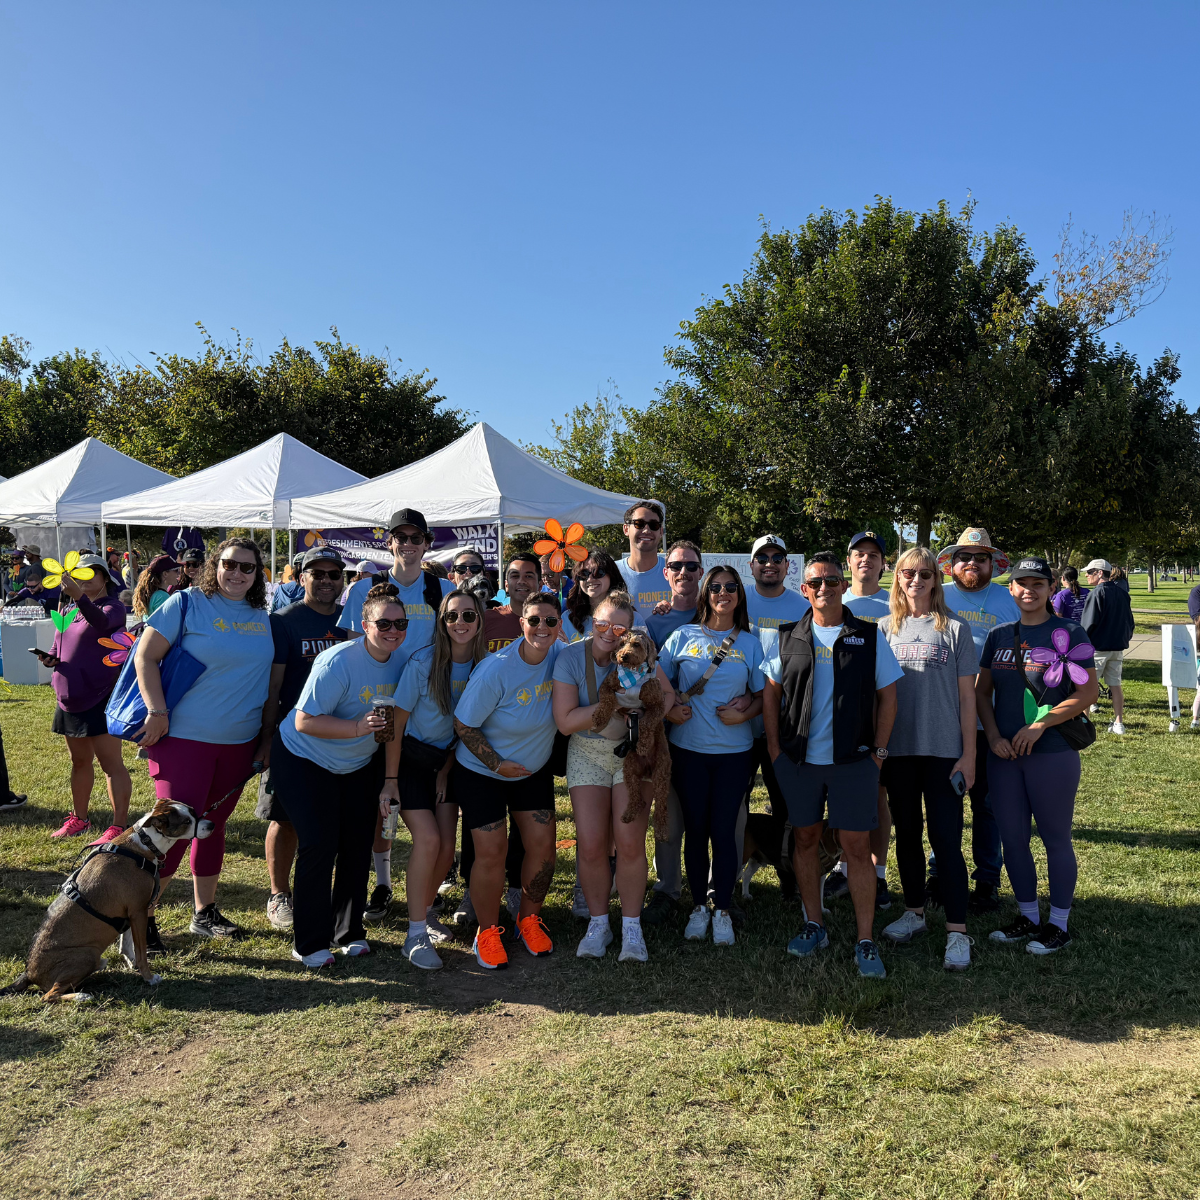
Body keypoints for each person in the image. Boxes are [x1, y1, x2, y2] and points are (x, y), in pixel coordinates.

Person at [763, 551, 902, 978]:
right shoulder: (786, 637)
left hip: (854, 761)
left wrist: (878, 752)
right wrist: (774, 751)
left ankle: (865, 939)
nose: (824, 588)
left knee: (856, 847)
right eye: (815, 583)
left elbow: (889, 697)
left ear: (843, 586)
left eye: (831, 580)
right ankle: (814, 924)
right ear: (803, 591)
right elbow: (770, 694)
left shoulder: (869, 635)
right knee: (805, 840)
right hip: (801, 762)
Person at [134, 536, 274, 949]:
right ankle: (142, 917)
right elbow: (145, 657)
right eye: (229, 564)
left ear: (258, 574)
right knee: (173, 830)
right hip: (182, 739)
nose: (237, 573)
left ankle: (204, 913)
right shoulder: (186, 603)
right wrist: (157, 712)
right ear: (215, 565)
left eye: (247, 567)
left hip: (238, 743)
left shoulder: (262, 615)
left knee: (211, 828)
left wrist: (264, 738)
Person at [271, 583, 408, 967]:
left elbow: (393, 726)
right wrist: (355, 728)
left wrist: (390, 779)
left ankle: (347, 931)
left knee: (356, 843)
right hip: (303, 757)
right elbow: (303, 721)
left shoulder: (403, 662)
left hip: (358, 763)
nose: (393, 630)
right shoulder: (337, 661)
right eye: (384, 623)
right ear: (364, 624)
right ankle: (309, 942)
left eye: (401, 623)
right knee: (318, 843)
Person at [977, 556, 1098, 954]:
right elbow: (981, 692)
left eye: (1038, 584)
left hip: (1051, 752)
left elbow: (1086, 693)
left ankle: (1058, 924)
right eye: (1021, 583)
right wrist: (993, 736)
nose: (1029, 590)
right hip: (1004, 755)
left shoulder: (1069, 631)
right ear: (1010, 589)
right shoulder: (998, 636)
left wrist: (1040, 725)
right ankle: (1028, 916)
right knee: (1012, 839)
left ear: (1050, 589)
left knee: (1054, 838)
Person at [553, 591, 676, 961]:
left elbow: (667, 697)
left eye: (618, 626)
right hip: (587, 752)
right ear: (593, 620)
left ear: (628, 631)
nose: (609, 631)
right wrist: (614, 707)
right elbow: (565, 721)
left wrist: (646, 718)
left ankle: (632, 927)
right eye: (603, 623)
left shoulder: (644, 658)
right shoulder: (572, 656)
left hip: (634, 755)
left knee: (629, 843)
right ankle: (598, 923)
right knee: (590, 844)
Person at [878, 547, 980, 970]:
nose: (916, 580)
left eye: (924, 573)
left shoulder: (955, 629)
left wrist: (969, 755)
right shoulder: (885, 628)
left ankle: (957, 932)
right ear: (897, 579)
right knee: (907, 835)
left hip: (943, 753)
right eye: (907, 573)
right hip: (899, 752)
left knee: (946, 841)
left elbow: (968, 698)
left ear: (936, 580)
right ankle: (914, 912)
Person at [452, 591, 563, 970]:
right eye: (534, 620)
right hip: (484, 771)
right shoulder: (497, 668)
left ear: (560, 624)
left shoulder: (562, 658)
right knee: (492, 853)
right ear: (522, 623)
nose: (542, 628)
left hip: (531, 771)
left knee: (544, 849)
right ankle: (487, 930)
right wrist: (497, 764)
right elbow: (463, 724)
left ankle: (528, 920)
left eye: (550, 621)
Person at [657, 566, 765, 946]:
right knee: (697, 831)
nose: (723, 593)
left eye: (731, 587)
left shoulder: (750, 644)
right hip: (688, 752)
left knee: (724, 832)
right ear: (706, 594)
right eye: (716, 587)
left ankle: (722, 909)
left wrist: (745, 712)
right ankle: (698, 908)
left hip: (735, 754)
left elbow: (763, 696)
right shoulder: (681, 636)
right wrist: (670, 711)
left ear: (739, 594)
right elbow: (657, 680)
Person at [385, 589, 488, 969]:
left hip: (448, 764)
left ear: (480, 622)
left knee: (446, 850)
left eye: (468, 616)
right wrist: (391, 778)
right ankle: (413, 936)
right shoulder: (422, 662)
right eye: (451, 617)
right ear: (440, 623)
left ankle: (424, 912)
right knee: (428, 841)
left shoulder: (485, 665)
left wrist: (447, 768)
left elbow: (467, 729)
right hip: (410, 761)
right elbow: (396, 725)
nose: (459, 623)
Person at [254, 546, 348, 931]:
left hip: (341, 737)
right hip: (291, 738)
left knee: (333, 819)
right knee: (284, 817)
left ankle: (326, 893)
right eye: (318, 573)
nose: (326, 581)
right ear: (300, 577)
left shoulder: (353, 622)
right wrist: (267, 738)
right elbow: (273, 685)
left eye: (333, 574)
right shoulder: (284, 621)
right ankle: (279, 895)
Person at [935, 526, 1022, 913]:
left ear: (992, 564)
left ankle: (987, 880)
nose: (971, 563)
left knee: (986, 805)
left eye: (980, 557)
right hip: (943, 717)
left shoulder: (1009, 601)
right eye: (964, 557)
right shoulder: (937, 596)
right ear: (951, 565)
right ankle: (942, 872)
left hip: (992, 721)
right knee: (944, 803)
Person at [37, 555, 131, 843]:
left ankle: (118, 826)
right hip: (69, 697)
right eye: (80, 574)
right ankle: (79, 818)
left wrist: (79, 597)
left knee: (110, 763)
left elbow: (101, 623)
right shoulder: (67, 609)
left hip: (99, 695)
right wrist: (51, 659)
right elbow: (59, 641)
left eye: (92, 573)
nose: (85, 578)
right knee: (79, 761)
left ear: (105, 578)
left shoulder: (113, 607)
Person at [829, 530, 893, 908]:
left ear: (883, 564)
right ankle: (842, 867)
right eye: (858, 553)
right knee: (838, 793)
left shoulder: (893, 604)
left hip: (876, 712)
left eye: (873, 554)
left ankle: (878, 870)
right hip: (835, 717)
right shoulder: (833, 598)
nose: (866, 559)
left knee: (876, 794)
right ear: (848, 561)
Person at [642, 540, 704, 927]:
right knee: (666, 815)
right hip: (665, 735)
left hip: (716, 733)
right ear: (666, 573)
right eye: (676, 566)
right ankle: (667, 888)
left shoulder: (718, 610)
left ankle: (714, 886)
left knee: (715, 815)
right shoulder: (653, 622)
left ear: (702, 571)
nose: (684, 572)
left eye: (691, 566)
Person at [1080, 558, 1135, 736]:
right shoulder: (1122, 593)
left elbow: (1088, 624)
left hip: (1097, 648)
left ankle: (1084, 722)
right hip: (1117, 648)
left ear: (1099, 573)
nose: (1086, 575)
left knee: (1087, 687)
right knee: (1115, 685)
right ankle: (1119, 723)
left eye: (1089, 572)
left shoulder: (1096, 593)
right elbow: (1130, 623)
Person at [562, 550, 645, 641]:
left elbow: (646, 652)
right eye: (584, 574)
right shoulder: (567, 619)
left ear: (611, 575)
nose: (590, 579)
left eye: (598, 572)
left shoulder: (633, 618)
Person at [619, 501, 669, 621]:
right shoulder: (610, 572)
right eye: (639, 524)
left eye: (654, 525)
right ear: (626, 529)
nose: (646, 530)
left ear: (661, 531)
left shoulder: (675, 571)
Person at [484, 553, 542, 654]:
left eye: (528, 576)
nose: (521, 581)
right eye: (515, 576)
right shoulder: (486, 619)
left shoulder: (550, 622)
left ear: (540, 585)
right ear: (506, 585)